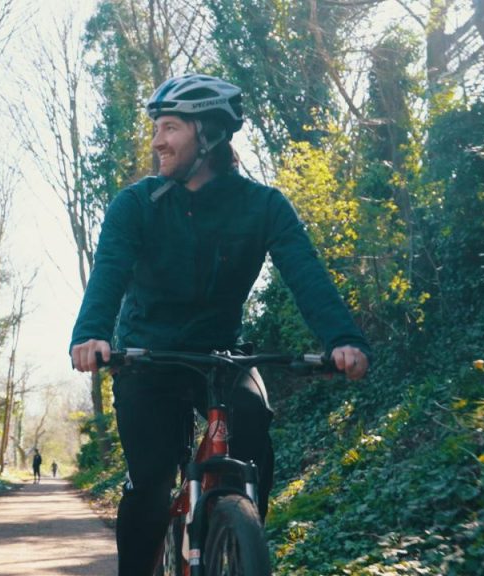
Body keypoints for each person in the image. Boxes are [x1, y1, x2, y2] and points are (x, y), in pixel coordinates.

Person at [69, 74, 370, 575]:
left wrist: (343, 338)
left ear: (206, 134)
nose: (157, 141)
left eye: (169, 128)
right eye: (156, 128)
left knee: (254, 441)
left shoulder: (263, 206)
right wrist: (91, 334)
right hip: (148, 357)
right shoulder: (136, 206)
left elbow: (306, 275)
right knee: (150, 480)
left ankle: (236, 541)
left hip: (224, 357)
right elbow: (108, 275)